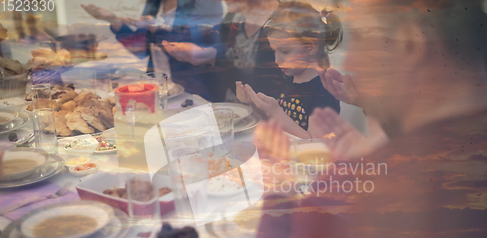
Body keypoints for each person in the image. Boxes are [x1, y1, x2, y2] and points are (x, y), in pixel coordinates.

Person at [246, 0, 487, 238]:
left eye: (362, 38)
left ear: (411, 44)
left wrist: (279, 187)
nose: (350, 60)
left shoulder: (357, 190)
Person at [237, 2, 342, 139]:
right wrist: (254, 104)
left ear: (310, 47)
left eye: (285, 51)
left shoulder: (324, 92)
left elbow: (315, 143)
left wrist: (276, 112)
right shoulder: (288, 79)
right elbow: (278, 124)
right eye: (274, 51)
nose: (277, 60)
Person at [81, 0, 223, 99]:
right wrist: (113, 20)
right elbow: (140, 49)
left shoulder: (206, 3)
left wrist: (155, 28)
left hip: (196, 90)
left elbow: (195, 50)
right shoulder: (154, 4)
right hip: (161, 90)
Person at [162, 0, 284, 103]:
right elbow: (221, 80)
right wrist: (201, 57)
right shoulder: (233, 18)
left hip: (263, 122)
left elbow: (265, 92)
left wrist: (213, 58)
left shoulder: (281, 25)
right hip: (231, 114)